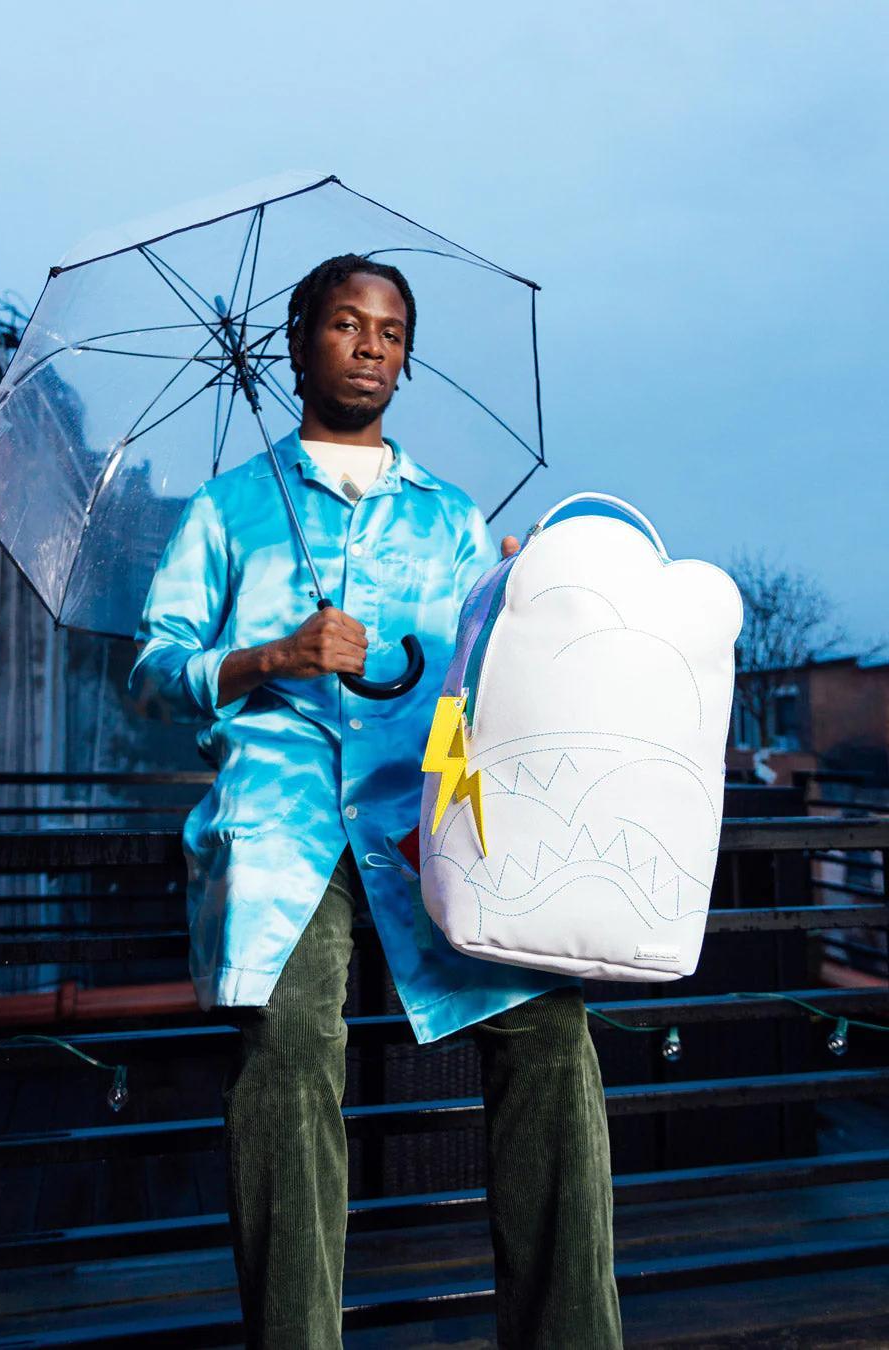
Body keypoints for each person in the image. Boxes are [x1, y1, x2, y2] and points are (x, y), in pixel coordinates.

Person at [130, 254, 622, 1349]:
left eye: (391, 333)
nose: (370, 347)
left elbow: (477, 684)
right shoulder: (226, 510)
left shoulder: (449, 517)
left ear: (405, 359)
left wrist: (522, 597)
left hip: (426, 816)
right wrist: (272, 656)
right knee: (289, 1050)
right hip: (282, 824)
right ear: (298, 341)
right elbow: (152, 674)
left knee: (548, 1028)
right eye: (346, 324)